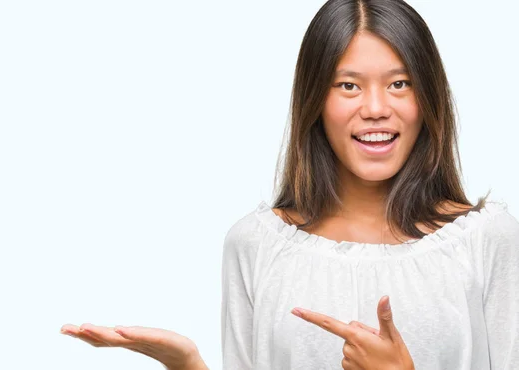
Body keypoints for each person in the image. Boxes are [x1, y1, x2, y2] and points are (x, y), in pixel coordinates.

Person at [60, 0, 519, 369]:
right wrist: (188, 367)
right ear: (315, 99)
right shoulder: (255, 245)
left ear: (428, 97)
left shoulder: (485, 240)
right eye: (348, 85)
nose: (377, 107)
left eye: (399, 83)